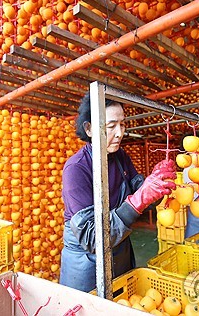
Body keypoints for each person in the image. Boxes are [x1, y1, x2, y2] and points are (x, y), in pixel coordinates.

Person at [59, 92, 177, 292]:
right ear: (89, 129)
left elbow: (139, 189)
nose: (120, 132)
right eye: (111, 126)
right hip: (87, 264)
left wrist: (154, 182)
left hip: (119, 251)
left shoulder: (120, 156)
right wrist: (138, 199)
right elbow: (92, 237)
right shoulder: (76, 169)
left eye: (122, 124)